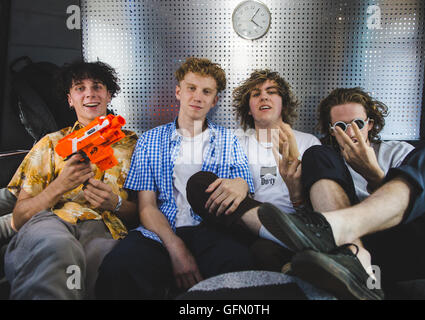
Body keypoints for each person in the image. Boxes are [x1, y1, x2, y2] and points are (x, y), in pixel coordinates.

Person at [256, 87, 425, 299]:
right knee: (316, 153)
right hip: (359, 247)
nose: (350, 133)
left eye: (357, 124)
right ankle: (352, 256)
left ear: (370, 124)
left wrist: (374, 176)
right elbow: (307, 212)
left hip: (403, 237)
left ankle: (339, 226)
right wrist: (296, 194)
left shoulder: (397, 151)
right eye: (340, 127)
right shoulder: (327, 161)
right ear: (331, 131)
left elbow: (421, 200)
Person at [95, 57, 256, 299]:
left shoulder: (228, 140)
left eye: (206, 91)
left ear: (215, 100)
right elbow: (146, 207)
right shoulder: (150, 140)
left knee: (240, 265)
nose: (197, 97)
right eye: (191, 88)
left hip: (212, 230)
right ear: (178, 92)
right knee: (119, 268)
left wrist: (241, 184)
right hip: (160, 231)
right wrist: (175, 247)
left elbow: (245, 191)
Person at [4, 61, 139, 299]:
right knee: (56, 247)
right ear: (70, 99)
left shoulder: (135, 145)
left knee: (108, 266)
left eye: (97, 86)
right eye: (79, 87)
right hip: (53, 221)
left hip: (105, 230)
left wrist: (115, 203)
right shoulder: (52, 143)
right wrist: (59, 186)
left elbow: (148, 212)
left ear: (109, 95)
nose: (89, 93)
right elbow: (19, 216)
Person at [186, 69, 321, 272]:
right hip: (239, 224)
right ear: (248, 109)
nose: (263, 96)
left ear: (283, 103)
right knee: (198, 182)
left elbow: (314, 207)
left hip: (293, 225)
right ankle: (278, 234)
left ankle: (283, 238)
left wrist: (296, 192)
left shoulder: (308, 143)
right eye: (256, 94)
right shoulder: (231, 139)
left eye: (271, 91)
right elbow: (213, 187)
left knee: (263, 252)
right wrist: (241, 184)